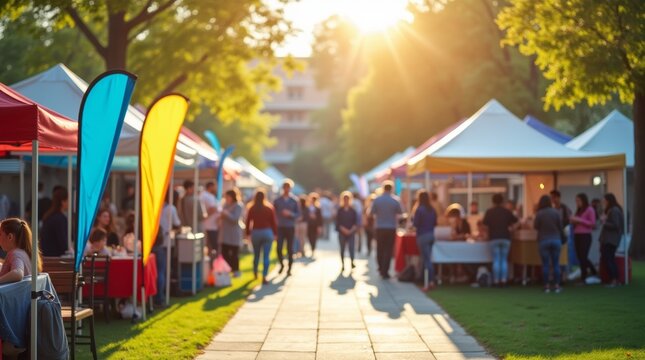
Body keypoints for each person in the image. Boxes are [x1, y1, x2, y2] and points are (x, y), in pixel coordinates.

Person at [369, 180, 403, 279]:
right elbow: (400, 213)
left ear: (383, 188)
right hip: (391, 228)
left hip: (379, 227)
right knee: (388, 250)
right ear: (391, 189)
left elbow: (371, 213)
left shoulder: (377, 200)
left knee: (380, 248)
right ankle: (385, 270)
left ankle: (380, 267)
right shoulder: (395, 200)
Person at [483, 193, 518, 286]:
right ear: (502, 201)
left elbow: (485, 225)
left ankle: (496, 280)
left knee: (496, 259)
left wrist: (487, 235)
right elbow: (516, 221)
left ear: (493, 201)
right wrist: (511, 230)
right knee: (504, 260)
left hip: (494, 238)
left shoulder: (489, 212)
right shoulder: (507, 211)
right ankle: (503, 280)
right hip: (506, 238)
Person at [154, 190, 181, 306]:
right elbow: (177, 223)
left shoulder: (155, 207)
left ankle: (155, 297)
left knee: (156, 271)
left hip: (153, 242)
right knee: (162, 271)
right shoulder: (171, 208)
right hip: (165, 242)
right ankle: (160, 298)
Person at [246, 189, 277, 285]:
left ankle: (255, 272)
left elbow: (248, 222)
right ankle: (264, 276)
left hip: (256, 232)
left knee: (256, 255)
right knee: (266, 256)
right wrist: (275, 233)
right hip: (267, 232)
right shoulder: (269, 208)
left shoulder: (252, 208)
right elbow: (273, 222)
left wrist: (247, 234)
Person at [534, 195, 564, 293]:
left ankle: (546, 286)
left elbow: (536, 226)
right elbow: (561, 226)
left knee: (546, 264)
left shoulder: (539, 213)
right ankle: (557, 286)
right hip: (556, 239)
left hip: (543, 240)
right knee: (556, 264)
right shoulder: (556, 212)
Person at [0, 218, 41, 283]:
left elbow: (18, 273)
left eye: (0, 234)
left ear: (10, 237)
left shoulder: (14, 253)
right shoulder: (24, 252)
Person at [273, 179, 300, 275]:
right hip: (280, 227)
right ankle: (281, 264)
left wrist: (290, 214)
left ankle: (289, 268)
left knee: (290, 248)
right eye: (285, 188)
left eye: (288, 188)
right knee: (279, 248)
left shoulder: (294, 200)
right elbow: (273, 213)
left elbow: (298, 215)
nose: (286, 189)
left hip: (290, 227)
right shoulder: (277, 200)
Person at [570, 193, 598, 283]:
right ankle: (593, 271)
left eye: (578, 200)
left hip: (585, 235)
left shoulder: (590, 209)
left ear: (583, 200)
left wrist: (579, 220)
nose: (577, 203)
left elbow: (593, 223)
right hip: (577, 235)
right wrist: (573, 221)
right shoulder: (579, 210)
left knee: (583, 256)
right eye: (576, 201)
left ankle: (584, 276)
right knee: (580, 256)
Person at [413, 190, 437, 291]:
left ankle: (429, 282)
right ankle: (428, 280)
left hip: (422, 236)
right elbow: (435, 223)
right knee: (428, 259)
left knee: (426, 260)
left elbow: (415, 224)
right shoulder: (432, 209)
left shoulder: (419, 210)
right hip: (431, 235)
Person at [599, 193, 624, 288]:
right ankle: (613, 279)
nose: (603, 202)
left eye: (604, 200)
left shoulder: (614, 210)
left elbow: (616, 225)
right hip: (608, 239)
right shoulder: (612, 210)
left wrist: (604, 222)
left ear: (608, 200)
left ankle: (615, 280)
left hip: (611, 240)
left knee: (609, 259)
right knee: (609, 259)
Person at [220, 189, 243, 277]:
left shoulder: (238, 206)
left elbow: (235, 219)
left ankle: (236, 270)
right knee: (225, 253)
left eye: (228, 197)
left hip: (234, 234)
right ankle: (227, 269)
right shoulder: (225, 205)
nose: (226, 198)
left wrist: (226, 213)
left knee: (234, 254)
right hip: (225, 233)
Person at [41, 187, 69, 257]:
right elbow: (63, 244)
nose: (69, 203)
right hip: (56, 258)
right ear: (63, 202)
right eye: (68, 200)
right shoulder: (60, 219)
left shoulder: (49, 216)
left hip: (46, 256)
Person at [336, 191, 359, 271]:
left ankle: (352, 262)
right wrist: (343, 229)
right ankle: (342, 264)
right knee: (342, 248)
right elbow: (338, 222)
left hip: (351, 232)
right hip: (342, 232)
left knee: (351, 248)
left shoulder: (353, 210)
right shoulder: (340, 210)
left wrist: (351, 230)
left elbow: (355, 222)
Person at [200, 182, 219, 256]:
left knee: (209, 246)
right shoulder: (207, 196)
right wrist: (206, 216)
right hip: (211, 225)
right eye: (214, 187)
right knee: (213, 245)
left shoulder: (204, 195)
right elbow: (213, 208)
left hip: (209, 224)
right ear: (210, 187)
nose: (215, 189)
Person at [305, 192, 323, 257]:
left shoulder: (318, 208)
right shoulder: (307, 207)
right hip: (309, 225)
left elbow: (320, 218)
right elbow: (305, 216)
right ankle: (311, 247)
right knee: (309, 237)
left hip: (315, 225)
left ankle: (313, 249)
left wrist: (320, 226)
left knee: (314, 238)